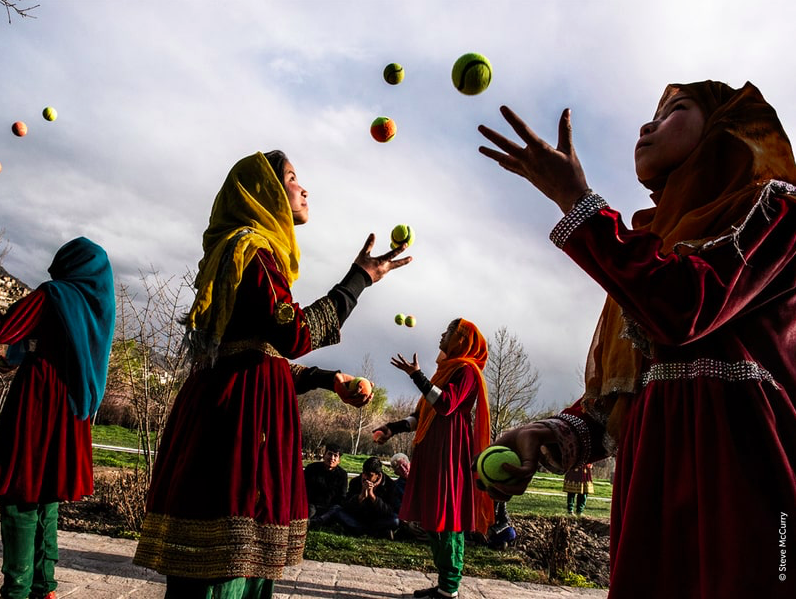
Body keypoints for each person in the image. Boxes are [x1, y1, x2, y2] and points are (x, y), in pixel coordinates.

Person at [478, 81, 796, 598]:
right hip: (651, 481)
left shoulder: (778, 211)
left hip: (745, 479)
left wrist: (577, 202)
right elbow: (626, 394)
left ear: (726, 126)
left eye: (675, 111)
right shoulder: (653, 241)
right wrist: (553, 433)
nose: (648, 125)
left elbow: (688, 308)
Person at [132, 151, 411, 599]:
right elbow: (292, 334)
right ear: (264, 194)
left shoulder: (243, 253)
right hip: (239, 423)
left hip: (230, 407)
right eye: (293, 178)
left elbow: (253, 354)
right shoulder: (252, 250)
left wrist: (324, 378)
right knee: (226, 564)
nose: (304, 189)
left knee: (236, 559)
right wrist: (357, 280)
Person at [0, 237, 115, 599]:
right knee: (47, 493)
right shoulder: (96, 307)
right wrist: (19, 356)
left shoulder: (54, 294)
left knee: (19, 492)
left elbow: (3, 329)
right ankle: (44, 587)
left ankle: (16, 591)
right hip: (73, 407)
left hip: (39, 401)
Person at [373, 318, 494, 599]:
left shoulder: (466, 371)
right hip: (432, 450)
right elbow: (421, 414)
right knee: (435, 516)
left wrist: (417, 375)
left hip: (449, 451)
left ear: (460, 340)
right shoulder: (444, 372)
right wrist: (391, 428)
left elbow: (445, 404)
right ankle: (444, 585)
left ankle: (449, 588)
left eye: (449, 331)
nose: (442, 334)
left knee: (448, 516)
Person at [331, 456, 400, 538]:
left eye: (369, 475)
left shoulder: (389, 485)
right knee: (337, 510)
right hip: (358, 518)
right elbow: (347, 506)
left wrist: (373, 497)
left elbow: (390, 510)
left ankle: (360, 531)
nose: (365, 477)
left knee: (395, 520)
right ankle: (374, 533)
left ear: (378, 475)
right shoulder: (356, 481)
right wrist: (360, 497)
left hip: (378, 519)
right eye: (364, 473)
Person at [304, 443, 348, 525]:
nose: (332, 458)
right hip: (312, 504)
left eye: (335, 456)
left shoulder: (342, 474)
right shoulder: (311, 468)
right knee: (309, 511)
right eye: (330, 454)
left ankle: (317, 521)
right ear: (324, 455)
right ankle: (313, 520)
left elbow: (342, 496)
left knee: (336, 509)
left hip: (330, 507)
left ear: (339, 460)